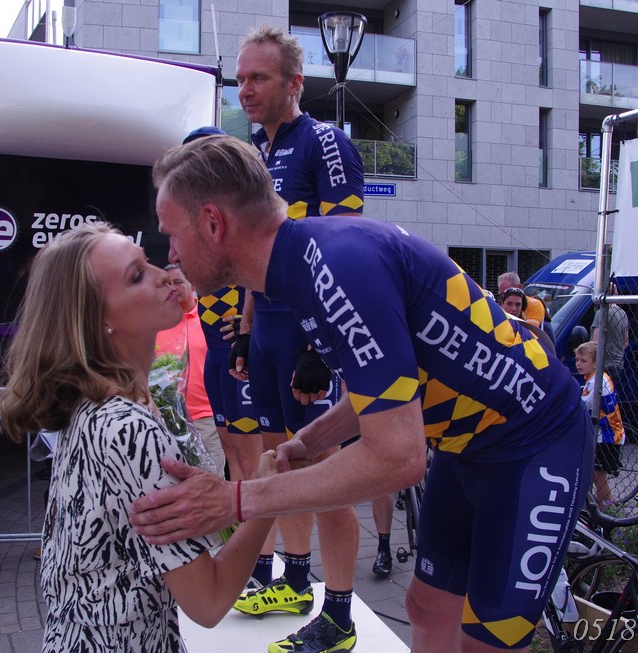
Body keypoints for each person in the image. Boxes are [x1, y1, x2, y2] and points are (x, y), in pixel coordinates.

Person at [132, 134, 595, 652]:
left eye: (171, 233)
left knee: (485, 644)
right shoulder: (302, 264)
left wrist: (236, 500)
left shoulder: (337, 268)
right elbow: (386, 391)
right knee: (425, 608)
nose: (171, 254)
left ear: (213, 224)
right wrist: (307, 442)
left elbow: (397, 458)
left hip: (536, 443)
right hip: (470, 446)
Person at [0, 224, 278, 652]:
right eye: (137, 275)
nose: (166, 274)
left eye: (147, 260)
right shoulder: (127, 428)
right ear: (99, 320)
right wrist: (266, 496)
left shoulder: (95, 406)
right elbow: (208, 600)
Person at [227, 25, 367, 652]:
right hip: (267, 329)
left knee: (329, 475)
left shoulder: (325, 141)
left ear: (294, 84)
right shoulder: (254, 151)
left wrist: (320, 345)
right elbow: (257, 254)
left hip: (313, 333)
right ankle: (295, 581)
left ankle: (339, 616)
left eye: (258, 77)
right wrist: (245, 331)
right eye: (240, 78)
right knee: (280, 460)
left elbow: (350, 250)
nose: (245, 89)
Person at [182, 126, 263, 489]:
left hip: (239, 349)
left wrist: (251, 320)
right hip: (215, 354)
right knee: (232, 455)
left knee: (253, 459)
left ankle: (265, 530)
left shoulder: (242, 206)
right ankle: (240, 524)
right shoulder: (197, 214)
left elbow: (265, 266)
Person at [155, 264, 227, 476]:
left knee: (212, 480)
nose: (172, 288)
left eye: (178, 282)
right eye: (167, 284)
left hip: (206, 417)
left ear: (192, 285)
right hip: (166, 418)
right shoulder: (156, 323)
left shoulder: (210, 319)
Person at [574, 341, 625, 508]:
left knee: (599, 477)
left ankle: (608, 510)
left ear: (595, 363)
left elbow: (583, 404)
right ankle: (602, 510)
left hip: (608, 436)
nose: (578, 364)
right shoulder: (592, 378)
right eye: (577, 360)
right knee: (595, 476)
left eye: (583, 361)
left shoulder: (598, 381)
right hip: (599, 434)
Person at [591, 283, 629, 383]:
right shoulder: (622, 313)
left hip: (603, 365)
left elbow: (595, 342)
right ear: (616, 293)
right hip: (617, 364)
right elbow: (625, 342)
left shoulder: (602, 313)